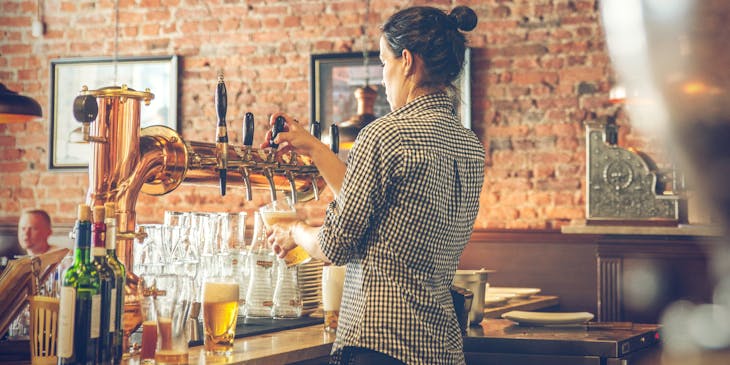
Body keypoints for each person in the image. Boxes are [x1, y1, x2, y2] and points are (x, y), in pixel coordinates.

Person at [263, 5, 484, 364]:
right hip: (440, 345)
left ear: (408, 61)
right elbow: (376, 204)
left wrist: (297, 231)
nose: (383, 77)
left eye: (384, 62)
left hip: (381, 344)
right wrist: (315, 148)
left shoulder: (384, 135)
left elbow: (335, 245)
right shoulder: (469, 144)